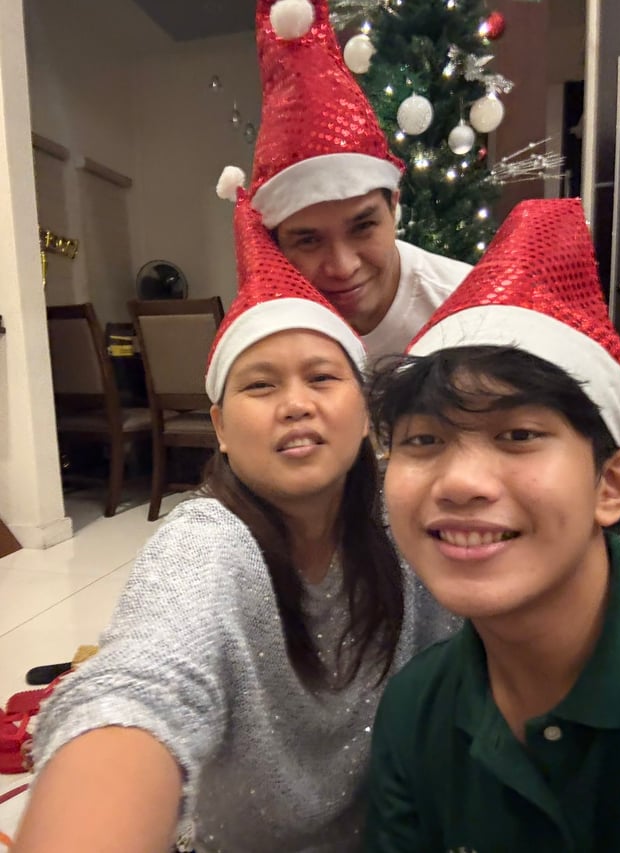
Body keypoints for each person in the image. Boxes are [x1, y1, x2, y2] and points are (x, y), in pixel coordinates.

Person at [12, 190, 456, 853]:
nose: (296, 404)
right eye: (260, 385)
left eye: (322, 377)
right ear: (219, 425)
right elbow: (141, 683)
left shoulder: (414, 520)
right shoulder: (207, 545)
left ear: (366, 409)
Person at [365, 198, 620, 852]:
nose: (460, 483)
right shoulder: (414, 709)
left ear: (611, 485)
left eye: (518, 434)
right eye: (424, 440)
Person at [217, 0, 470, 360]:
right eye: (308, 240)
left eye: (363, 226)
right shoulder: (272, 326)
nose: (343, 266)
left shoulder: (468, 308)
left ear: (393, 206)